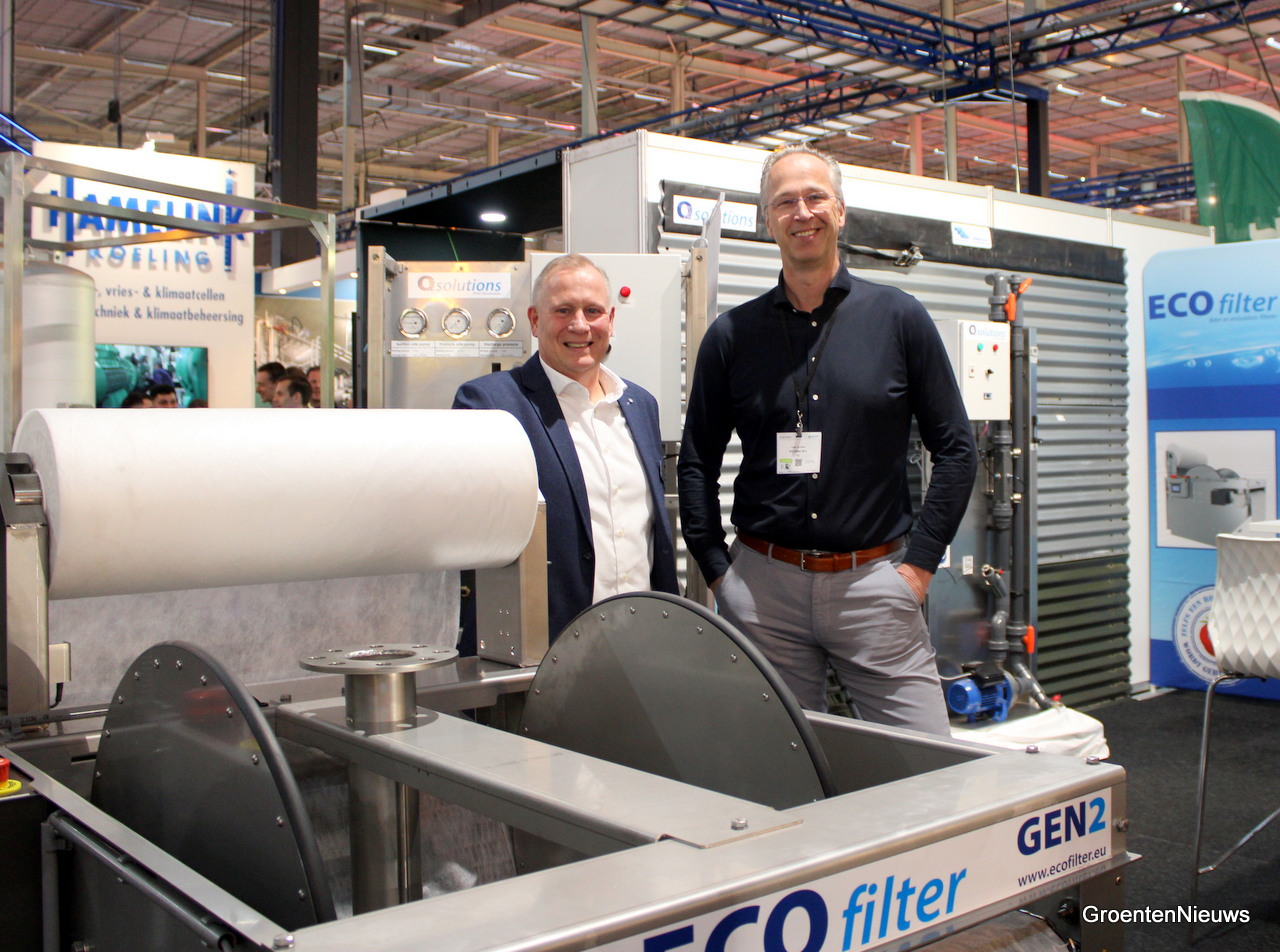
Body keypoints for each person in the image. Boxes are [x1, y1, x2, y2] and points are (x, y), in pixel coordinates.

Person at [678, 143, 977, 735]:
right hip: (761, 592)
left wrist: (919, 567)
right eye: (785, 201)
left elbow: (956, 449)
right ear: (767, 220)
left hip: (876, 586)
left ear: (840, 211)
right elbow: (695, 463)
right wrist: (718, 570)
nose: (802, 212)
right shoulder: (733, 335)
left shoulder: (899, 318)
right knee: (776, 768)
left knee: (928, 764)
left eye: (815, 197)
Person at [453, 253, 679, 648]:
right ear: (535, 320)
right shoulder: (491, 404)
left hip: (641, 640)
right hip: (544, 646)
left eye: (593, 311)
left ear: (611, 319)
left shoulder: (640, 405)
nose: (580, 325)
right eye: (563, 310)